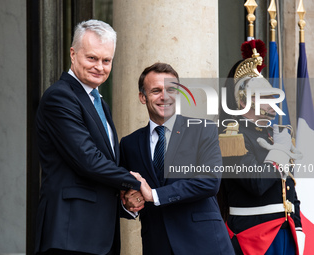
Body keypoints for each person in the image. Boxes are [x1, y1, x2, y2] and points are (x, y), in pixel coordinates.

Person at [34, 20, 143, 255]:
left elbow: (105, 163)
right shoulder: (60, 97)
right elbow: (88, 159)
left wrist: (125, 195)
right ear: (73, 54)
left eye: (106, 60)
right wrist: (135, 183)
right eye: (92, 58)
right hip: (70, 235)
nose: (100, 67)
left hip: (97, 236)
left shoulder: (99, 102)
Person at [119, 62, 235, 255]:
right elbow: (125, 196)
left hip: (204, 244)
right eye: (156, 90)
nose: (164, 96)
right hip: (157, 245)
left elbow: (210, 182)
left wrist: (154, 195)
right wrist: (129, 205)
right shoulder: (129, 144)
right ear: (142, 97)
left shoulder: (203, 129)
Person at [218, 40, 305, 255]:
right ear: (243, 102)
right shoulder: (232, 135)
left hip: (286, 232)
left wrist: (298, 226)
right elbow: (256, 183)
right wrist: (279, 152)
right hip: (254, 235)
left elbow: (289, 188)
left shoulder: (274, 135)